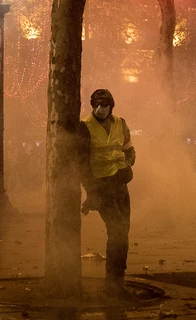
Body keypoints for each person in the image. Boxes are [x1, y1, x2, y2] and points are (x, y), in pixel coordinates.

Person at [79, 89, 136, 299]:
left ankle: (117, 281)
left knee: (123, 231)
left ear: (111, 105)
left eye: (103, 105)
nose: (99, 109)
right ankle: (113, 285)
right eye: (96, 105)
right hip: (102, 188)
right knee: (118, 231)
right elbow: (82, 165)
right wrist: (92, 192)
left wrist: (126, 166)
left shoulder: (121, 123)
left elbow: (129, 150)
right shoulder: (85, 127)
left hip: (120, 185)